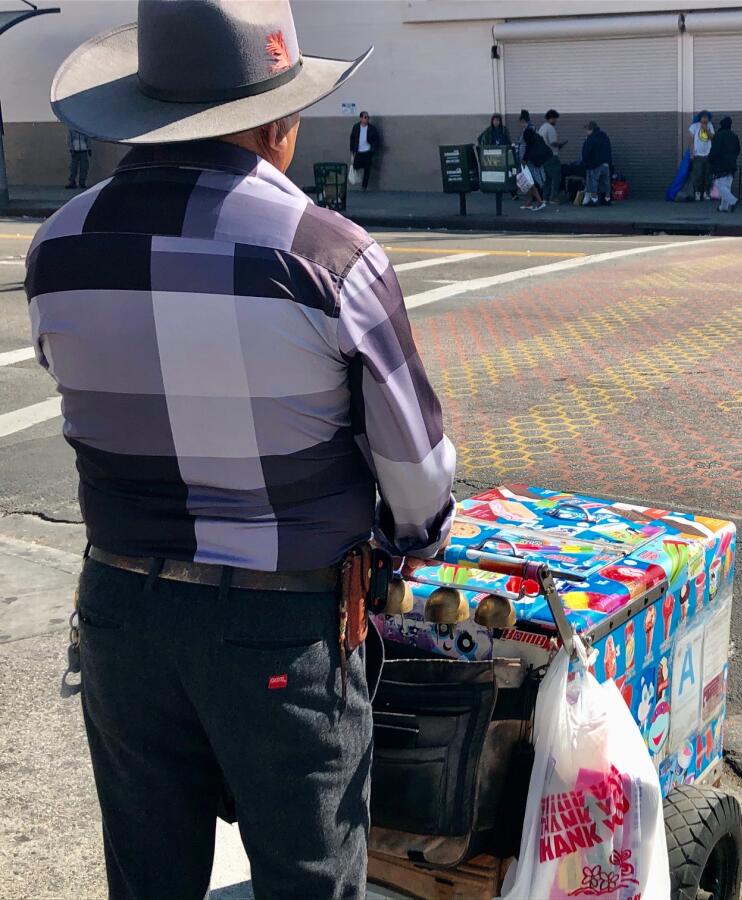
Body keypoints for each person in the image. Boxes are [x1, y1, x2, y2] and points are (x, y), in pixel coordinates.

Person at [26, 2, 456, 898]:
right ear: (277, 123)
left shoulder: (58, 246)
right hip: (283, 625)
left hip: (121, 610)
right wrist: (410, 545)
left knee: (149, 880)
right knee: (308, 879)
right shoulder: (330, 256)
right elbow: (416, 475)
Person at [517, 109, 549, 210]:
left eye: (520, 122)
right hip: (530, 160)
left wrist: (524, 159)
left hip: (528, 161)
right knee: (529, 181)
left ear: (523, 121)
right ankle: (529, 202)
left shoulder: (527, 131)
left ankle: (540, 201)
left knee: (530, 182)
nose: (519, 125)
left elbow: (529, 146)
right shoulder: (532, 129)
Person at [708, 116, 741, 212]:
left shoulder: (718, 135)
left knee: (719, 184)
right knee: (726, 186)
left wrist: (710, 159)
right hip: (732, 164)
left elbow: (715, 150)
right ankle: (723, 207)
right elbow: (738, 150)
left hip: (720, 165)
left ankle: (733, 201)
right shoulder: (734, 136)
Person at [538, 109, 567, 202]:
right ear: (552, 118)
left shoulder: (542, 128)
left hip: (543, 157)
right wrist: (561, 144)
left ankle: (545, 197)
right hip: (552, 157)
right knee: (556, 177)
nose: (556, 121)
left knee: (547, 179)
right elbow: (553, 143)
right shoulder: (550, 128)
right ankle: (554, 197)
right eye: (555, 119)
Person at [581, 120, 612, 206]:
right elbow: (609, 149)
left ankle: (594, 200)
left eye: (586, 130)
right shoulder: (605, 136)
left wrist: (586, 162)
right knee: (606, 182)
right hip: (606, 163)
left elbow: (586, 152)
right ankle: (607, 199)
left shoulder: (591, 138)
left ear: (590, 129)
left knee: (593, 182)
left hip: (595, 164)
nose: (586, 132)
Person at [687, 109, 716, 201]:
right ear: (700, 118)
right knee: (698, 174)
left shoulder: (710, 126)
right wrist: (691, 153)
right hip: (698, 154)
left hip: (708, 154)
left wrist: (706, 129)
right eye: (703, 117)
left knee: (707, 175)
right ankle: (697, 192)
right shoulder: (694, 126)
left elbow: (712, 137)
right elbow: (690, 140)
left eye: (706, 118)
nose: (705, 119)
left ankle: (706, 192)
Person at [349, 110, 380, 189]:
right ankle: (361, 173)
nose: (367, 119)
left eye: (368, 117)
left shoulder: (371, 128)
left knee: (367, 169)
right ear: (361, 118)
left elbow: (376, 139)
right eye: (365, 117)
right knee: (356, 166)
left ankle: (364, 186)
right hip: (358, 151)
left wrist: (372, 148)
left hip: (367, 151)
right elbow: (352, 138)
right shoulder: (356, 127)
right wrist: (352, 150)